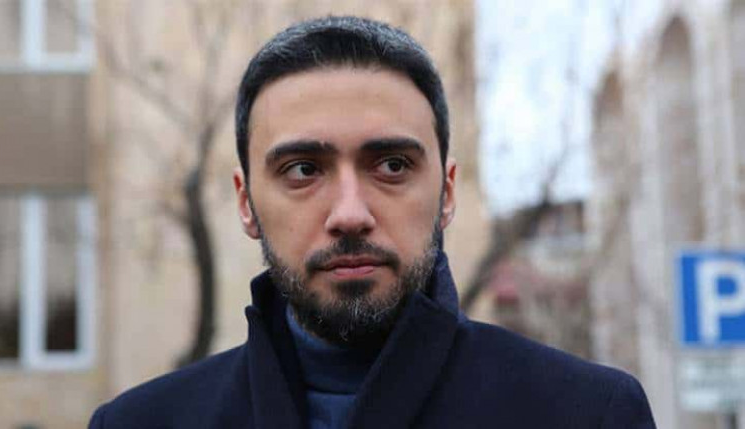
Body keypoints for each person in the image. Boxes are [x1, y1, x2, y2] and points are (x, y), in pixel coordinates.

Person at [88, 16, 656, 428]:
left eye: (391, 166)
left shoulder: (586, 414)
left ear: (447, 192)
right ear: (245, 203)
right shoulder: (142, 423)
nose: (350, 214)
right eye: (303, 169)